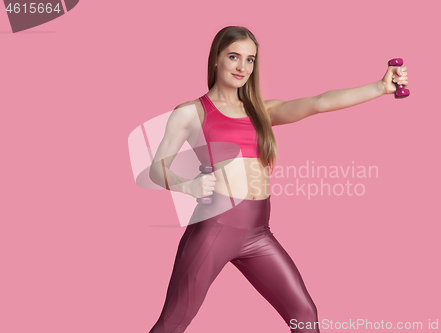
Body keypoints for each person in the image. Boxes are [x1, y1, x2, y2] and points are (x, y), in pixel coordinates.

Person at [148, 26, 409, 333]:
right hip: (214, 228)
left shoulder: (262, 111)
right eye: (234, 57)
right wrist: (186, 185)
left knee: (304, 312)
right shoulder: (191, 112)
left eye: (250, 60)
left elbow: (320, 102)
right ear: (215, 59)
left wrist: (379, 88)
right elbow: (157, 168)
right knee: (174, 322)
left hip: (258, 232)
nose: (242, 67)